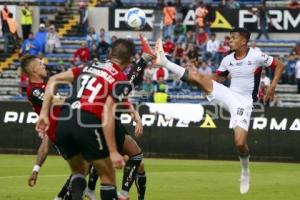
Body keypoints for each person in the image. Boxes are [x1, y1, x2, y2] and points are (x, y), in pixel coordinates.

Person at [155, 27, 284, 194]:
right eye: (229, 38)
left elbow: (279, 65)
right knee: (200, 79)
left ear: (243, 41)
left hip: (244, 103)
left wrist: (272, 86)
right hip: (229, 94)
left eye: (233, 38)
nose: (229, 40)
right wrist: (197, 77)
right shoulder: (227, 59)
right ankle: (164, 61)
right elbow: (216, 78)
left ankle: (245, 170)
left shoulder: (256, 56)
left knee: (240, 143)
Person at [21, 55, 73, 200]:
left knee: (87, 166)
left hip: (64, 129)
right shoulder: (34, 91)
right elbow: (59, 102)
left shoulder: (45, 86)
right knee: (84, 167)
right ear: (33, 70)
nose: (44, 65)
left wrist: (36, 170)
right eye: (40, 64)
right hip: (59, 134)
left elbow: (45, 144)